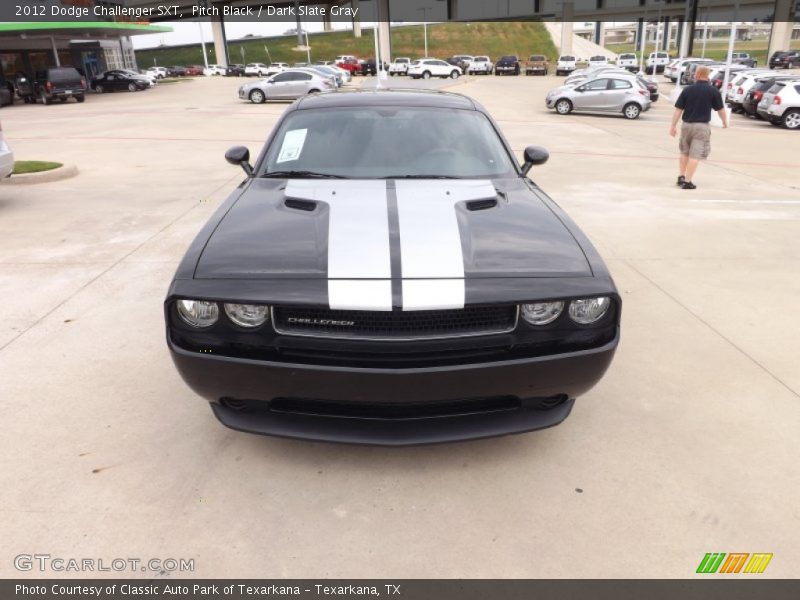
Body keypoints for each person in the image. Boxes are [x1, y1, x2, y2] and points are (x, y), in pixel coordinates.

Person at [669, 65, 728, 190]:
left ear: (698, 74)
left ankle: (681, 176)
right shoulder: (713, 91)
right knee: (695, 155)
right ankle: (688, 182)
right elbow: (721, 110)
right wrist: (724, 121)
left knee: (684, 152)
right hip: (701, 127)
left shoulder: (687, 90)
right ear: (707, 75)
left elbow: (678, 110)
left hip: (686, 125)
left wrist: (673, 125)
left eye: (695, 73)